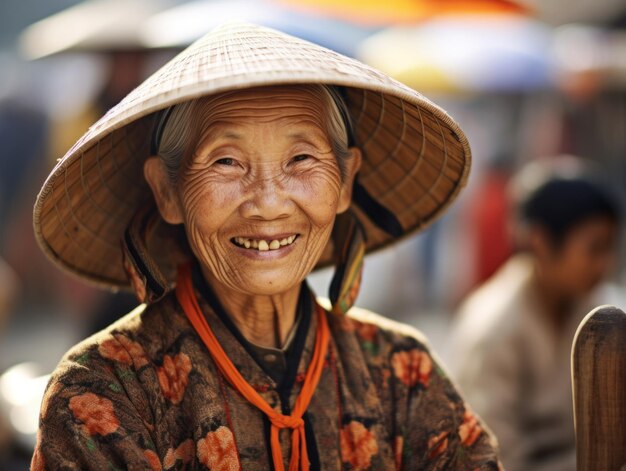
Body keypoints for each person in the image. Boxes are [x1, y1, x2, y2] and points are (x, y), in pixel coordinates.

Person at [31, 23, 500, 470]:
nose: (268, 204)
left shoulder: (402, 372)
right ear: (167, 192)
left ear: (345, 181)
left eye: (301, 158)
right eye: (227, 161)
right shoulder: (104, 391)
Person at [448, 158, 622, 471]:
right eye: (594, 249)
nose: (604, 264)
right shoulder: (492, 327)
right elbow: (494, 459)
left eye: (609, 248)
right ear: (541, 241)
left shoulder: (604, 310)